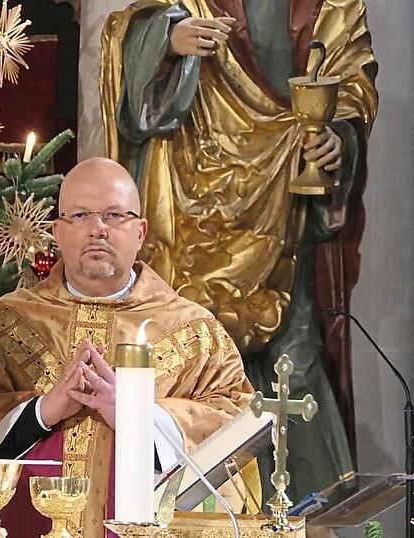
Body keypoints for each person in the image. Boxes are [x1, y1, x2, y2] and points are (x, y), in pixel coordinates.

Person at [99, 0, 377, 501]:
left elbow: (351, 81)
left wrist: (338, 138)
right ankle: (185, 505)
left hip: (282, 197)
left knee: (295, 361)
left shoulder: (332, 4)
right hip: (188, 200)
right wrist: (165, 42)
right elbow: (128, 30)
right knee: (185, 360)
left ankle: (305, 514)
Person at [0, 158, 255, 538]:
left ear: (140, 231)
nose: (98, 229)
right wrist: (42, 411)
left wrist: (138, 416)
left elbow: (237, 425)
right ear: (57, 231)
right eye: (80, 215)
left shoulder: (196, 332)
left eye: (114, 215)